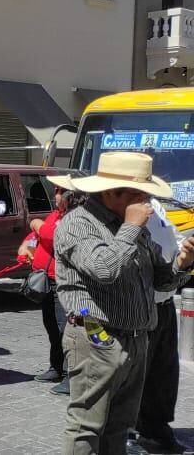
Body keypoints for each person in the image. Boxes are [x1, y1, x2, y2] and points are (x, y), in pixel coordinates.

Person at [54, 151, 193, 455]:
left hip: (136, 338)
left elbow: (160, 280)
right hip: (95, 337)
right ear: (110, 192)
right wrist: (130, 228)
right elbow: (104, 270)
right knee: (86, 426)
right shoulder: (79, 224)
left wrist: (184, 263)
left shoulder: (133, 226)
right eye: (139, 192)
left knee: (119, 425)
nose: (146, 200)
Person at [130, 197, 190, 454]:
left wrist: (184, 251)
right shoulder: (122, 212)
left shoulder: (156, 206)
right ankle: (127, 432)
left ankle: (156, 427)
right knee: (133, 375)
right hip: (138, 307)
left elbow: (173, 240)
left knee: (164, 373)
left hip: (164, 302)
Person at [16, 176, 82, 397]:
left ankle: (72, 377)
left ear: (70, 195)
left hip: (64, 283)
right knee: (52, 327)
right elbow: (36, 235)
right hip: (48, 280)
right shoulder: (57, 214)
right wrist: (27, 244)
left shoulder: (77, 217)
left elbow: (54, 236)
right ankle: (56, 367)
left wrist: (37, 224)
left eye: (58, 190)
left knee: (67, 329)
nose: (54, 195)